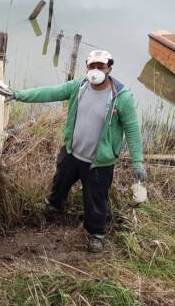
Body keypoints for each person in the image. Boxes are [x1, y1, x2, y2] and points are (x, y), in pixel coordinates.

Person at [12, 50, 146, 253]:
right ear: (87, 67)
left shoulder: (121, 96)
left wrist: (138, 162)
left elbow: (132, 129)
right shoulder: (79, 86)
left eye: (100, 66)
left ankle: (96, 234)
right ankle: (53, 207)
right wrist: (17, 95)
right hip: (72, 152)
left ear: (109, 68)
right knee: (60, 182)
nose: (96, 71)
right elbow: (50, 92)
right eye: (92, 66)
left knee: (96, 198)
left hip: (99, 161)